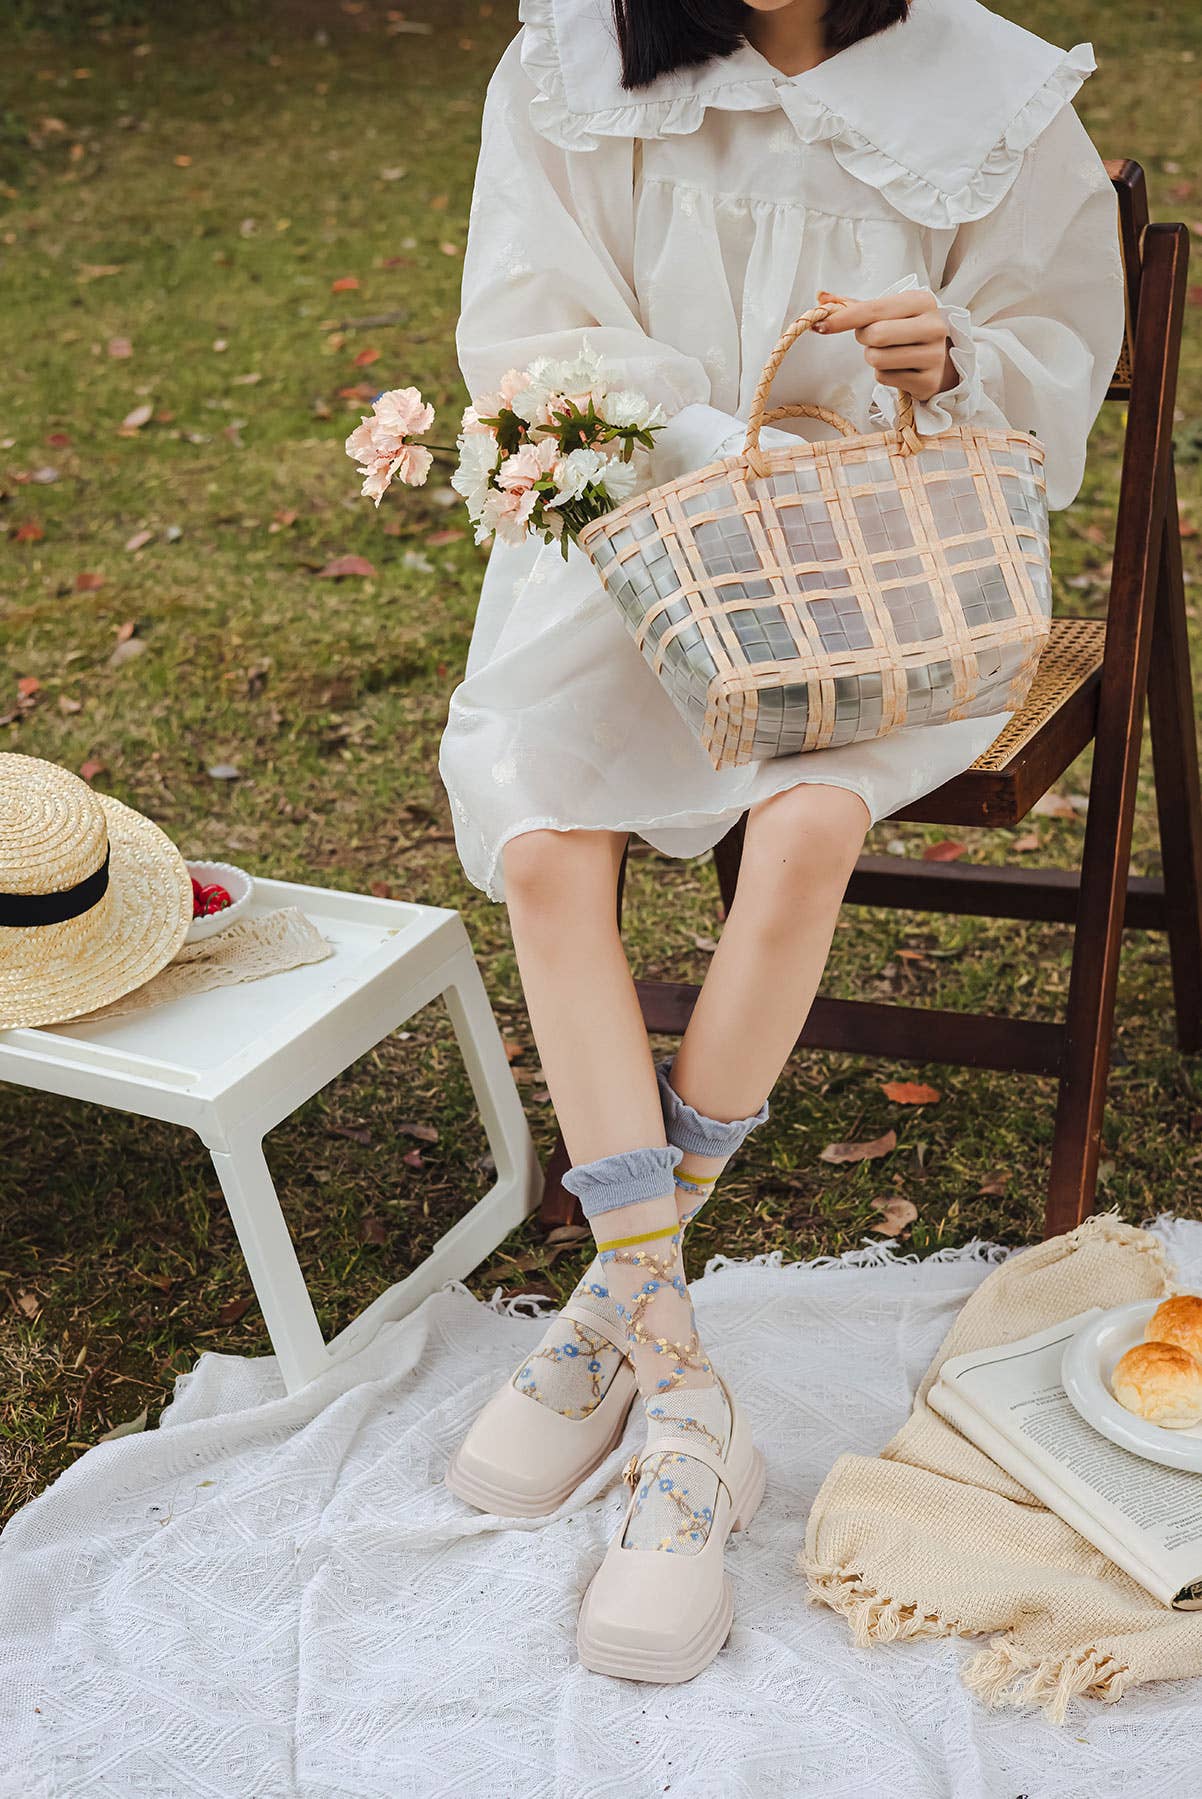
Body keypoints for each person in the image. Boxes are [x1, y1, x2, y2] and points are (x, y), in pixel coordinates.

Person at [439, 0, 1124, 1682]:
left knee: (808, 822)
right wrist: (709, 454)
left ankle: (610, 1318)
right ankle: (682, 1383)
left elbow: (1055, 344)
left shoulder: (996, 84)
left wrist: (949, 352)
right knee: (544, 845)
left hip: (894, 560)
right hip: (640, 552)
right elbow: (531, 335)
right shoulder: (567, 66)